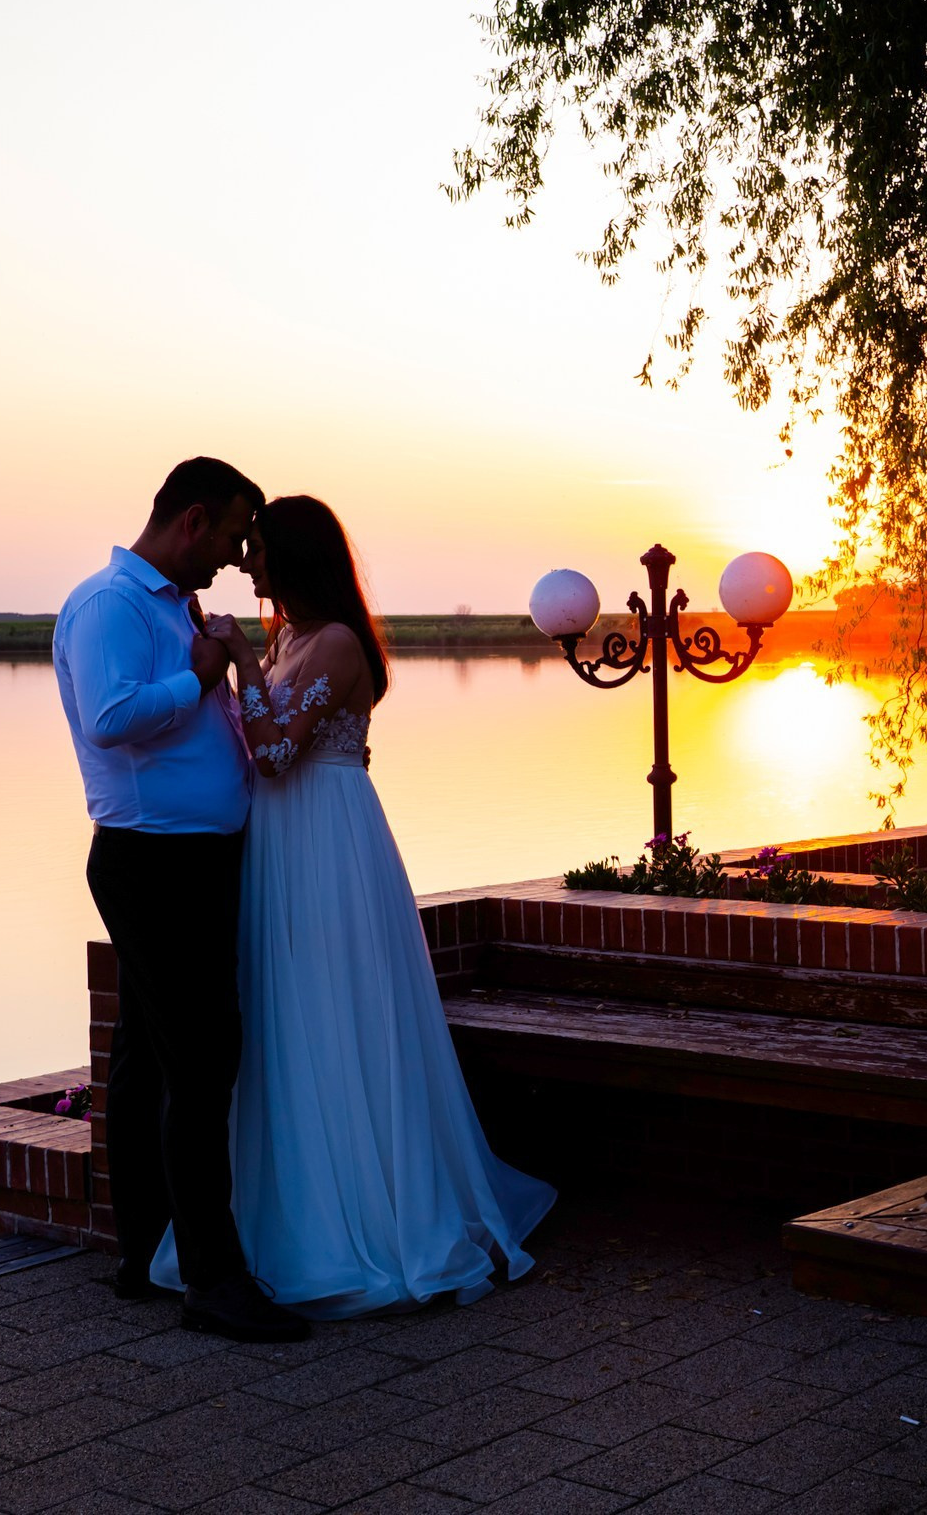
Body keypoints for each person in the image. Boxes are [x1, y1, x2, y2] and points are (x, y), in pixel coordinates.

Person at [146, 493, 554, 1316]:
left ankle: (371, 1215)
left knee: (337, 1010)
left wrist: (241, 664)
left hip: (330, 839)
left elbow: (277, 752)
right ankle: (277, 1213)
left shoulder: (334, 643)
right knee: (283, 1018)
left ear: (295, 555)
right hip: (278, 843)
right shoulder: (289, 635)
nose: (248, 562)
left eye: (259, 549)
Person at [51, 457, 308, 1342]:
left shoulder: (169, 606)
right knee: (203, 1062)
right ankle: (213, 1281)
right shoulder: (109, 605)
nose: (239, 555)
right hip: (153, 862)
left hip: (192, 859)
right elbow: (111, 716)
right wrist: (203, 674)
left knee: (149, 1061)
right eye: (235, 534)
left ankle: (145, 1251)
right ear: (193, 520)